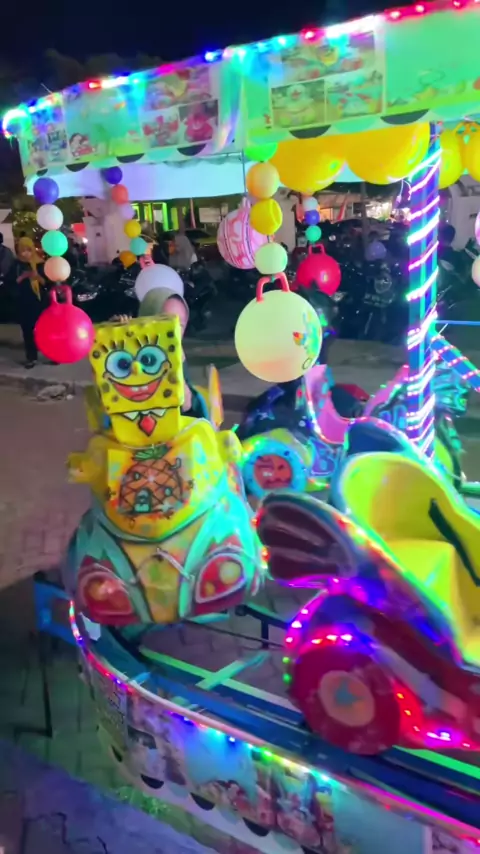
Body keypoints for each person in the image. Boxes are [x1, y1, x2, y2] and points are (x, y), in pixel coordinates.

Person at [113, 287, 208, 418]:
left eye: (180, 324)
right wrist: (114, 336)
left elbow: (192, 408)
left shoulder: (178, 355)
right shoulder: (128, 349)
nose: (174, 330)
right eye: (165, 322)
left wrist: (187, 398)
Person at [12, 237, 48, 368]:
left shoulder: (40, 264)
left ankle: (51, 353)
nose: (26, 253)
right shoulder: (16, 265)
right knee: (28, 332)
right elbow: (11, 284)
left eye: (28, 249)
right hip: (24, 304)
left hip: (41, 302)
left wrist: (37, 277)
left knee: (45, 330)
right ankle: (32, 357)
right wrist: (22, 277)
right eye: (23, 250)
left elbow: (48, 283)